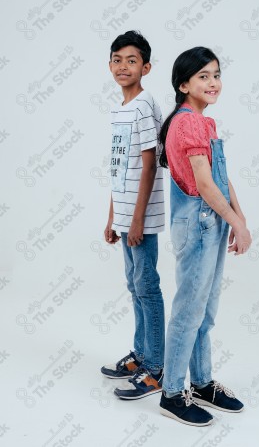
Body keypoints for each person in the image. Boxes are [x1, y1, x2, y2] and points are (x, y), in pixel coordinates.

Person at [158, 46, 252, 426]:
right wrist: (236, 221)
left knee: (206, 311)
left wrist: (238, 218)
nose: (213, 82)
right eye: (203, 76)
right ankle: (171, 393)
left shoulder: (205, 123)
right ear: (184, 84)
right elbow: (203, 184)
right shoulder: (188, 123)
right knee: (188, 312)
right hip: (198, 224)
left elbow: (221, 178)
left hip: (211, 223)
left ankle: (200, 382)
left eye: (216, 74)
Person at [101, 30, 165, 400]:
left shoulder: (143, 105)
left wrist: (138, 219)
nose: (123, 66)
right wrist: (113, 216)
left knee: (147, 287)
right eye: (117, 59)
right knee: (134, 286)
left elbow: (148, 165)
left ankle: (155, 368)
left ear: (146, 66)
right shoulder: (119, 109)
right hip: (125, 215)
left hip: (142, 216)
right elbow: (118, 168)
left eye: (132, 60)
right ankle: (141, 355)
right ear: (109, 65)